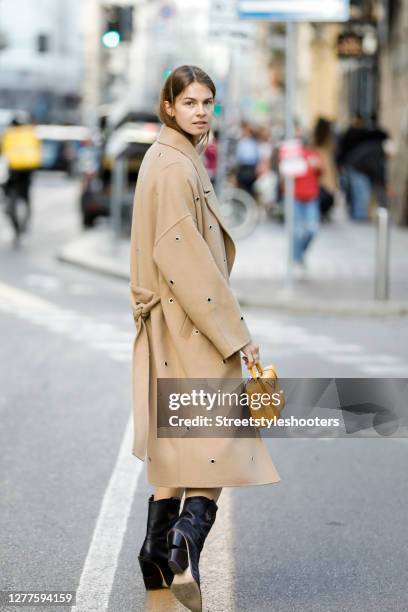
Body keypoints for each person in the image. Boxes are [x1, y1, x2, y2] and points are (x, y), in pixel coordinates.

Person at [129, 65, 281, 612]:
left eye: (207, 103)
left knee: (175, 455)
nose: (199, 111)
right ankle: (184, 546)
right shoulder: (174, 167)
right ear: (168, 106)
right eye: (188, 102)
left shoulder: (169, 157)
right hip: (191, 327)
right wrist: (236, 337)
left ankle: (156, 560)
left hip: (171, 324)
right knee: (217, 448)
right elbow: (186, 262)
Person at [1, 113, 41, 242]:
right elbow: (38, 150)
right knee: (26, 196)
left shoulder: (8, 134)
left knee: (9, 192)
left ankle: (11, 210)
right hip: (28, 171)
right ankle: (26, 220)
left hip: (13, 171)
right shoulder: (31, 133)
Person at [292, 135, 322, 276]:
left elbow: (320, 173)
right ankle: (297, 259)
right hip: (296, 197)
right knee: (298, 231)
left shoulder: (313, 155)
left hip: (311, 197)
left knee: (312, 229)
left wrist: (317, 166)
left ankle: (299, 253)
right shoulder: (293, 156)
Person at [313, 117, 337, 222]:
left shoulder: (317, 144)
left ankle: (322, 213)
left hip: (323, 173)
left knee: (323, 194)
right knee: (325, 194)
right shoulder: (326, 145)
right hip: (324, 173)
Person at [235, 120, 260, 195]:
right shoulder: (242, 141)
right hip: (243, 167)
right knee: (242, 188)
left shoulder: (253, 142)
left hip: (251, 168)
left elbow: (256, 156)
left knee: (250, 188)